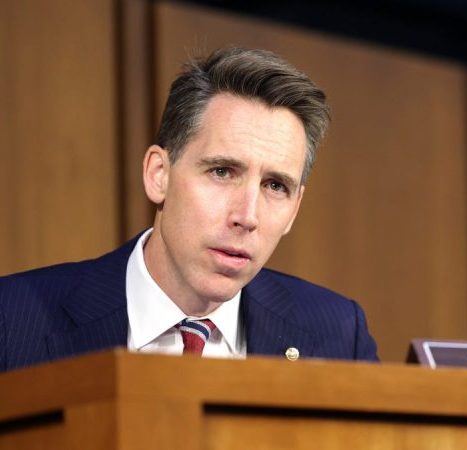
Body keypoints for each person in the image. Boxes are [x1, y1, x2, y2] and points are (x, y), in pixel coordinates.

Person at [0, 48, 378, 372]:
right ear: (158, 175)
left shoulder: (339, 336)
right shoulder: (12, 319)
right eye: (222, 172)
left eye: (275, 186)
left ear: (294, 209)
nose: (247, 216)